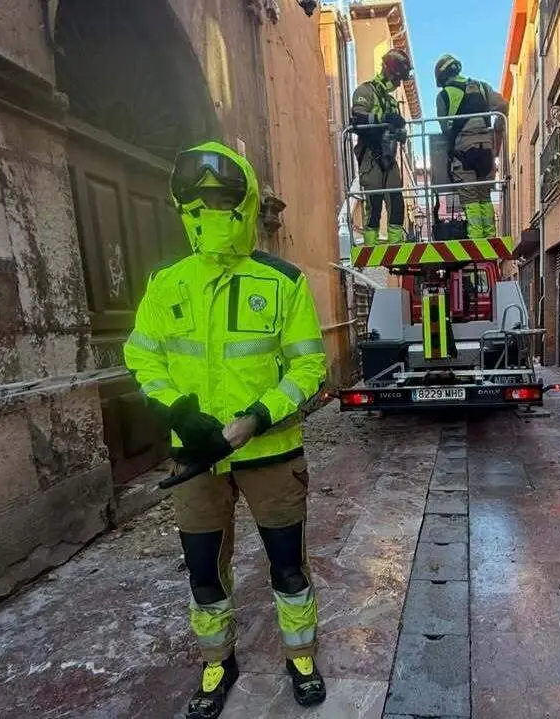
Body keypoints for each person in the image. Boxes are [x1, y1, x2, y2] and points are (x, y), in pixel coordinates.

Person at [123, 141, 328, 718]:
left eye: (221, 200)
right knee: (202, 568)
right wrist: (178, 412)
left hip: (272, 454)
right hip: (194, 461)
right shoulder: (167, 283)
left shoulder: (283, 281)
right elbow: (144, 356)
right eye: (198, 201)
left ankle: (301, 655)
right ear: (182, 207)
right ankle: (218, 660)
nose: (209, 210)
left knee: (288, 565)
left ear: (245, 205)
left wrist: (254, 419)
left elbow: (310, 366)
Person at [434, 53, 508, 239]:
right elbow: (503, 106)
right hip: (486, 150)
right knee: (484, 197)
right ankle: (490, 238)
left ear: (442, 77)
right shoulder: (482, 87)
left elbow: (445, 129)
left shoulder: (444, 96)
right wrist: (497, 131)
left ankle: (476, 240)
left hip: (464, 151)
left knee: (471, 199)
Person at [351, 48, 412, 245]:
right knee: (374, 201)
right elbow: (357, 118)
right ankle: (371, 242)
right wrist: (382, 119)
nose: (398, 83)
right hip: (371, 154)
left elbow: (398, 133)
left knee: (396, 200)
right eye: (397, 78)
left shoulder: (392, 101)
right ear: (388, 70)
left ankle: (396, 241)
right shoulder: (365, 91)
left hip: (389, 156)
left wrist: (401, 133)